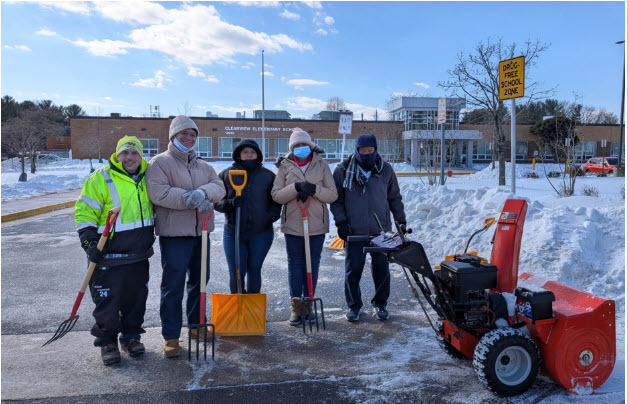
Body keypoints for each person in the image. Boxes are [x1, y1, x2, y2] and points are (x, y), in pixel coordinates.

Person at [145, 115, 225, 358]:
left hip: (201, 232)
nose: (189, 138)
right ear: (173, 136)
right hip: (174, 234)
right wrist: (190, 198)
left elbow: (219, 188)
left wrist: (202, 192)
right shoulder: (159, 163)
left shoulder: (204, 166)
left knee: (200, 281)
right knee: (173, 285)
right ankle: (170, 335)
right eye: (184, 134)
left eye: (193, 134)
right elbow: (159, 193)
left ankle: (197, 325)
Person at [75, 135, 155, 366]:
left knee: (136, 300)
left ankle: (131, 337)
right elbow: (85, 212)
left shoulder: (148, 177)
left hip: (139, 254)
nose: (129, 157)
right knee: (107, 302)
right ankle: (108, 342)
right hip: (107, 254)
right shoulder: (101, 178)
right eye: (125, 153)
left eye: (134, 153)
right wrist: (89, 243)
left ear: (141, 156)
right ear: (117, 155)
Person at [330, 134, 406, 322]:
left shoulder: (385, 170)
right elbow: (336, 200)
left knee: (381, 269)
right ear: (356, 150)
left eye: (370, 150)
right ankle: (354, 306)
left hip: (381, 229)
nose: (366, 154)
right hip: (354, 230)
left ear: (375, 150)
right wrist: (341, 223)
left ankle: (380, 303)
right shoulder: (343, 170)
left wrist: (401, 220)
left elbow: (394, 197)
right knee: (353, 270)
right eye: (362, 151)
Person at [271, 128, 337, 326]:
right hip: (292, 223)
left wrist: (314, 189)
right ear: (292, 148)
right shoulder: (284, 167)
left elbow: (333, 194)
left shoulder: (322, 165)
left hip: (316, 223)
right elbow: (276, 195)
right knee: (295, 263)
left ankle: (308, 303)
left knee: (312, 263)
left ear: (310, 146)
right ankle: (296, 304)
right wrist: (296, 188)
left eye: (304, 145)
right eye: (297, 146)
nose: (301, 148)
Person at [215, 139, 281, 294]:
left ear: (258, 155)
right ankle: (238, 306)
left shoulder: (268, 176)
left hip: (261, 232)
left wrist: (269, 217)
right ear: (239, 154)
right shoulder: (226, 175)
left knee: (255, 269)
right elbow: (216, 201)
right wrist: (230, 203)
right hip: (234, 232)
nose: (249, 155)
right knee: (237, 271)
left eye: (253, 152)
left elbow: (276, 201)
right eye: (245, 152)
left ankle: (252, 308)